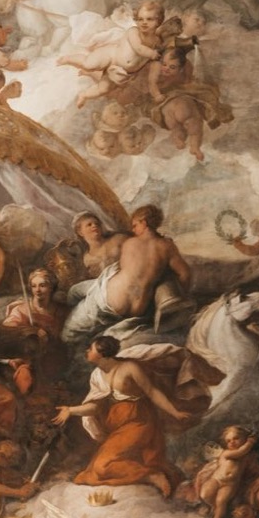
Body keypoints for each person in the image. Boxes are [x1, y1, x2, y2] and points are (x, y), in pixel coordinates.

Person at [58, 334, 192, 497]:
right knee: (95, 471)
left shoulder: (129, 368)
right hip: (118, 426)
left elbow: (152, 392)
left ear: (102, 353)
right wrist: (71, 410)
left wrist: (174, 412)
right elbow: (94, 406)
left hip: (139, 421)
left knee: (102, 466)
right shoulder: (97, 376)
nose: (87, 351)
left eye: (91, 349)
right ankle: (150, 475)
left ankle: (151, 475)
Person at [62, 202, 194, 340]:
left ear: (143, 223)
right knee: (76, 294)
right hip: (138, 308)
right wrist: (179, 294)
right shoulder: (167, 246)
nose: (133, 230)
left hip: (111, 297)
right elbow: (185, 274)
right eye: (89, 225)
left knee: (69, 331)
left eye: (135, 225)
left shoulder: (129, 242)